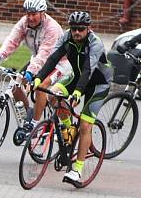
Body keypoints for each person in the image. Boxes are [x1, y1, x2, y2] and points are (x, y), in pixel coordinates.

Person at [33, 11, 112, 187]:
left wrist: (77, 92)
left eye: (81, 29)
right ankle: (68, 129)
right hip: (77, 76)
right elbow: (53, 58)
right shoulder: (67, 37)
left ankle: (77, 170)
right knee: (53, 95)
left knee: (85, 125)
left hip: (98, 83)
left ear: (88, 29)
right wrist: (38, 78)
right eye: (74, 28)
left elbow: (88, 70)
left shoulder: (95, 43)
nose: (77, 32)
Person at [0, 0, 70, 134]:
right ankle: (28, 114)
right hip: (37, 60)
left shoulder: (52, 28)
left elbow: (44, 55)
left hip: (59, 63)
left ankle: (34, 125)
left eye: (33, 14)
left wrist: (30, 73)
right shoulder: (24, 23)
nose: (30, 17)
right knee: (14, 84)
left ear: (43, 13)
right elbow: (11, 42)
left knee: (40, 87)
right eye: (27, 14)